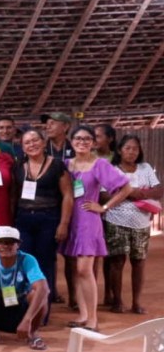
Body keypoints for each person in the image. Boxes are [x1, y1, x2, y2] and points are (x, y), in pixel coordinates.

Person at [60, 125, 132, 331]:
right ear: (71, 142)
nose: (82, 142)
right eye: (78, 138)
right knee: (76, 269)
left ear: (93, 142)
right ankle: (83, 315)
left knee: (85, 269)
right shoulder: (66, 165)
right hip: (70, 219)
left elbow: (126, 187)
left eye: (87, 139)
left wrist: (104, 207)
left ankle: (93, 319)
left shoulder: (99, 164)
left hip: (88, 219)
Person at [11, 129, 72, 306]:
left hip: (49, 218)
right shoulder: (18, 166)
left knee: (46, 260)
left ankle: (45, 303)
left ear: (44, 142)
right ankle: (27, 301)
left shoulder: (57, 165)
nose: (32, 145)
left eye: (35, 140)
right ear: (22, 147)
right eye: (27, 142)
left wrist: (64, 223)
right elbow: (14, 195)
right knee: (24, 259)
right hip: (23, 219)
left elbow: (68, 195)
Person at [105, 135, 161, 315]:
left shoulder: (145, 168)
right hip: (116, 219)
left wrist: (139, 194)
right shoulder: (111, 169)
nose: (131, 152)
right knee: (117, 261)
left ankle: (136, 302)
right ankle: (117, 301)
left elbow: (159, 190)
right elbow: (102, 195)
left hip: (141, 222)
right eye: (128, 148)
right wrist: (130, 193)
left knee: (139, 261)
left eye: (135, 148)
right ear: (120, 150)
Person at [0, 226, 49, 350]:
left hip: (21, 308)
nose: (5, 246)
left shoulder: (27, 259)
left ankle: (33, 334)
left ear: (18, 244)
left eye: (10, 242)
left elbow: (43, 288)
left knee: (39, 294)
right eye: (0, 242)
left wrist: (27, 320)